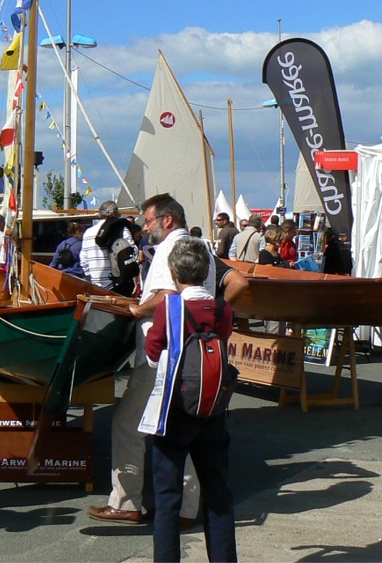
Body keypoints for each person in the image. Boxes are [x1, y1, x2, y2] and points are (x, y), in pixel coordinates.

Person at [88, 193, 247, 528]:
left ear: (166, 220)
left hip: (162, 356)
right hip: (190, 355)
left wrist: (136, 308)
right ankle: (187, 507)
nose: (145, 229)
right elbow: (237, 283)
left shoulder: (169, 250)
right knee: (184, 431)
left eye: (148, 221)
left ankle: (126, 501)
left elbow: (166, 296)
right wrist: (214, 315)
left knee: (128, 426)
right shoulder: (199, 246)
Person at [144, 236, 237, 563]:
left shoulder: (169, 309)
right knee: (218, 495)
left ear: (173, 272)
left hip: (175, 410)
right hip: (213, 410)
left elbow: (154, 356)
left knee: (168, 499)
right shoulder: (224, 310)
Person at [80, 200, 135, 290]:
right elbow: (132, 252)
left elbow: (83, 259)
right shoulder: (121, 229)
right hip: (117, 283)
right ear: (115, 213)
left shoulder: (88, 233)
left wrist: (90, 275)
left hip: (95, 284)